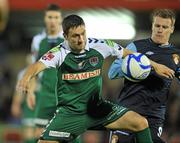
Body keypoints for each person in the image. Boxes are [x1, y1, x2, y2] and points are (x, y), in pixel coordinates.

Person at [16, 14, 175, 143]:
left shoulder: (100, 45)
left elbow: (130, 54)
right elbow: (37, 65)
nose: (81, 39)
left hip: (97, 109)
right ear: (65, 36)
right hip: (70, 113)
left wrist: (155, 66)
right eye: (75, 36)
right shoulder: (59, 53)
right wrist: (26, 78)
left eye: (83, 33)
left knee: (140, 123)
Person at [108, 9, 180, 143]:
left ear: (171, 29)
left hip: (153, 117)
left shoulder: (176, 55)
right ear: (152, 26)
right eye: (157, 26)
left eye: (164, 27)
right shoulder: (136, 47)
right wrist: (139, 67)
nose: (160, 30)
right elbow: (112, 72)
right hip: (127, 111)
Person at [27, 3, 64, 140]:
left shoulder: (67, 40)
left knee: (66, 134)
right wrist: (30, 92)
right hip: (45, 93)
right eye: (50, 17)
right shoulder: (38, 40)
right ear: (45, 19)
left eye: (56, 17)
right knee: (39, 134)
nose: (53, 20)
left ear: (61, 19)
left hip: (64, 94)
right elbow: (33, 68)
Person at [11, 54, 36, 143]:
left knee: (41, 132)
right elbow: (19, 91)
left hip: (42, 102)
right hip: (29, 106)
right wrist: (16, 104)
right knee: (28, 133)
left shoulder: (45, 70)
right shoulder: (23, 73)